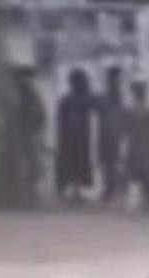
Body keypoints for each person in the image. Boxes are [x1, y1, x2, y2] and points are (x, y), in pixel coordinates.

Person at [5, 66, 46, 207]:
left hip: (27, 133)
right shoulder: (17, 94)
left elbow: (40, 115)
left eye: (26, 77)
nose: (25, 80)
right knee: (21, 164)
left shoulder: (29, 94)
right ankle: (23, 194)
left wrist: (37, 129)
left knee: (31, 164)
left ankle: (29, 194)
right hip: (20, 134)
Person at [55, 68, 96, 204]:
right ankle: (75, 190)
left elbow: (60, 121)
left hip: (74, 137)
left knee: (76, 163)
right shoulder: (78, 99)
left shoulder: (68, 100)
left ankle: (75, 190)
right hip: (76, 138)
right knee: (76, 162)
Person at [124, 80, 149, 211]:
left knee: (138, 174)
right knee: (147, 174)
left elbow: (128, 131)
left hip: (138, 145)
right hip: (147, 146)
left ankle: (144, 200)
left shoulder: (132, 110)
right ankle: (148, 200)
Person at [97, 66, 126, 203]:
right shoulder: (116, 92)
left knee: (109, 161)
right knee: (111, 161)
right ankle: (113, 187)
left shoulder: (112, 93)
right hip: (111, 130)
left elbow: (107, 110)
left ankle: (111, 188)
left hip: (108, 131)